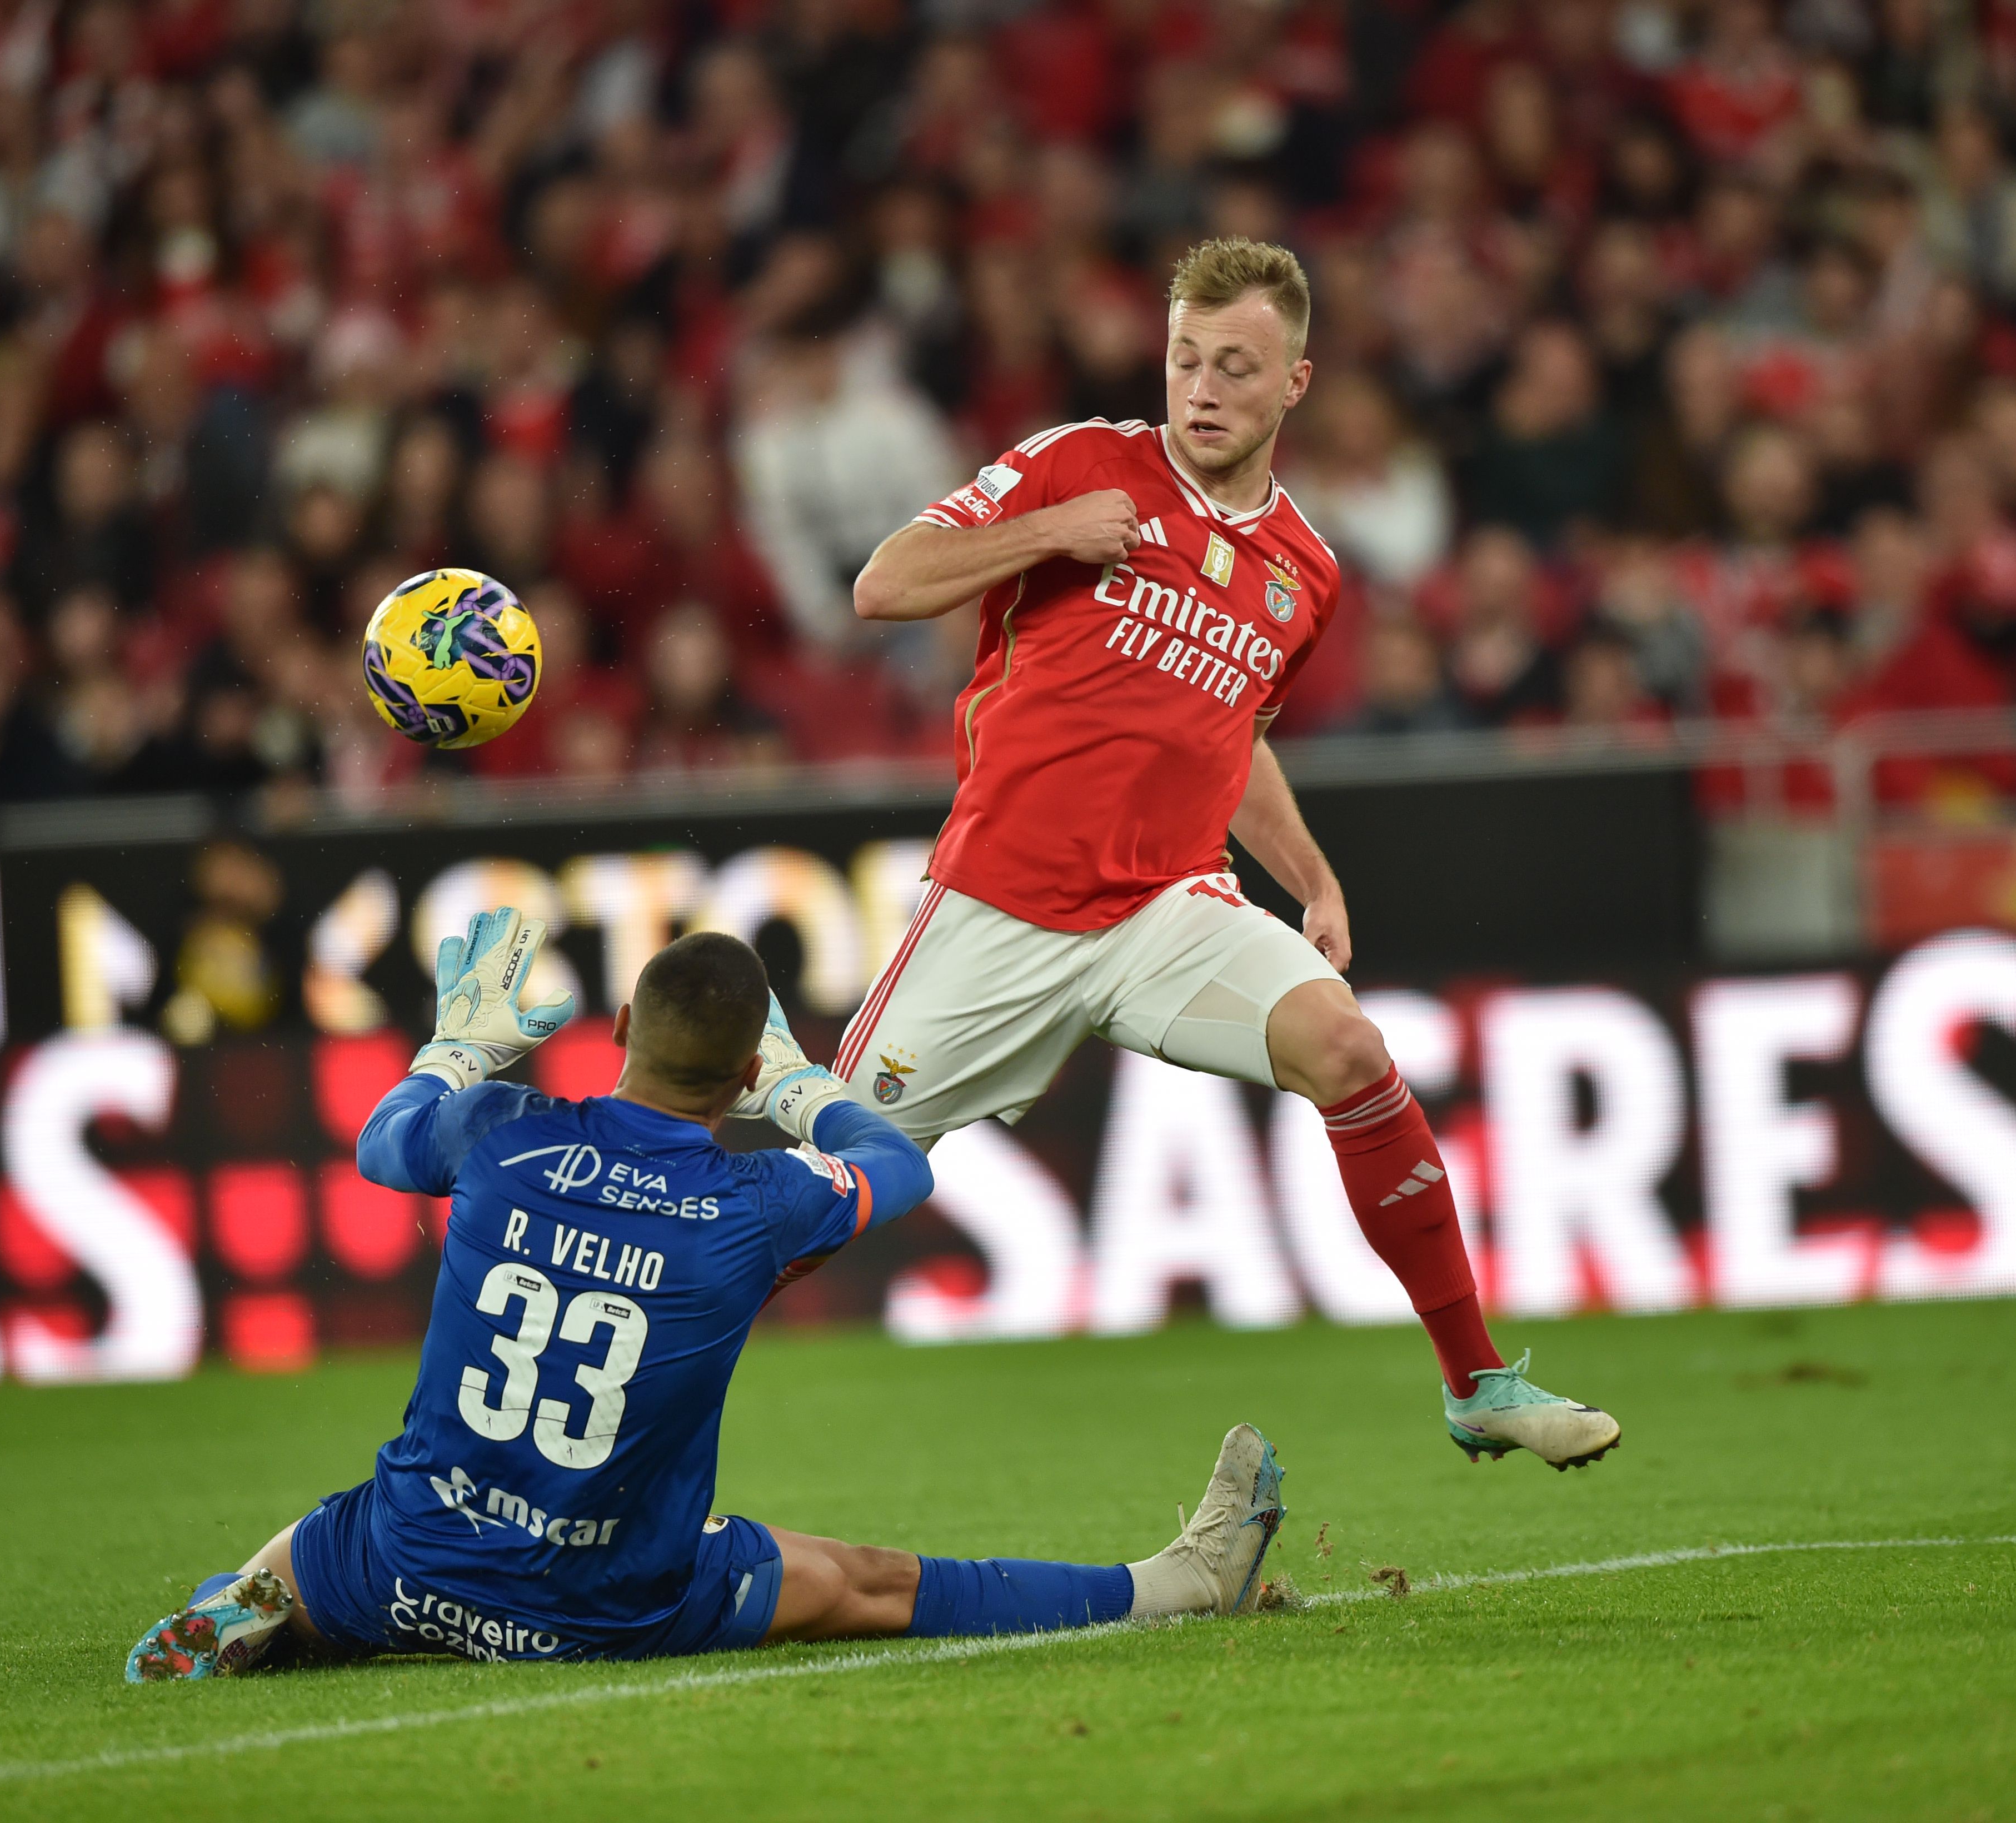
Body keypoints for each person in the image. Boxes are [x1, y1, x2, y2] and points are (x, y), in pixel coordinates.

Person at [847, 238, 1619, 1473]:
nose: (1202, 388)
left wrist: (1311, 877)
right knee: (819, 1193)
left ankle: (1476, 1379)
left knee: (1352, 1049)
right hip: (1000, 907)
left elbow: (1230, 735)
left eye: (1235, 366)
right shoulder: (1078, 464)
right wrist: (1047, 530)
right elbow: (883, 586)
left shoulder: (1304, 572)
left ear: (1294, 384)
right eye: (1185, 359)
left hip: (1166, 908)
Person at [125, 912, 1285, 1680]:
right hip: (614, 1596)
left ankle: (253, 1600)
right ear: (738, 1074)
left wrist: (456, 1050)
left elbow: (385, 1148)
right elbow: (901, 1166)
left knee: (309, 1548)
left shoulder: (501, 1133)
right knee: (867, 1582)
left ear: (619, 1028)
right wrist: (796, 1086)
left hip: (411, 1556)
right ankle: (1173, 1581)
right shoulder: (754, 1203)